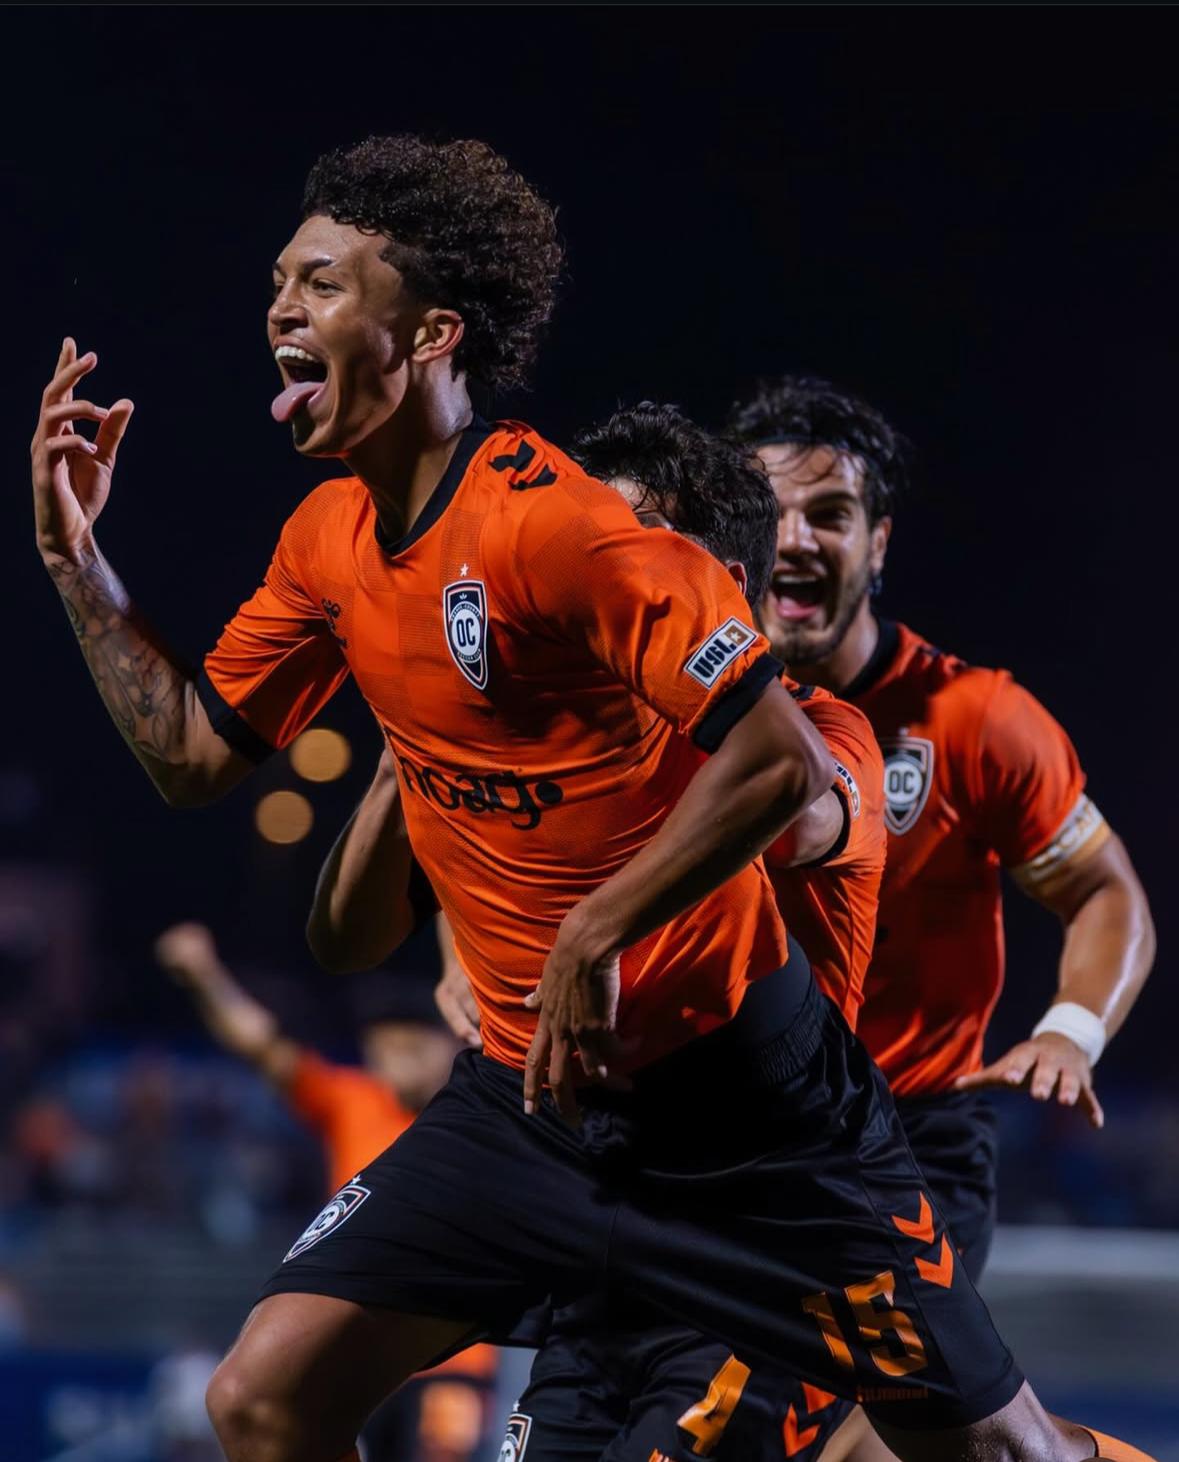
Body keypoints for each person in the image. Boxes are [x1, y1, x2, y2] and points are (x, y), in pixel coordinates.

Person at [30, 133, 1136, 1462]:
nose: (282, 308)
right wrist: (78, 565)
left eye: (321, 283)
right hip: (530, 1107)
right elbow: (192, 757)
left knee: (996, 1453)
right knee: (258, 1395)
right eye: (279, 280)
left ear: (429, 331)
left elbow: (785, 763)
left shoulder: (558, 529)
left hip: (752, 1128)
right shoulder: (327, 543)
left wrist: (591, 932)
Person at [719, 375, 1156, 1462]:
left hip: (907, 1143)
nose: (797, 538)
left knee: (835, 1437)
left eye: (830, 514)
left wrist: (1071, 1030)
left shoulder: (975, 718)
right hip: (719, 1137)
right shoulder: (672, 700)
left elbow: (1107, 893)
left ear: (877, 543)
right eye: (771, 511)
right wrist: (461, 963)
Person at [152, 920, 496, 1462]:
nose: (395, 1059)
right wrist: (204, 975)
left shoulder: (482, 1114)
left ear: (452, 1039)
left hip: (454, 1358)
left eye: (410, 1045)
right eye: (383, 1047)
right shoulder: (352, 1100)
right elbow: (263, 1045)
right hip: (364, 1355)